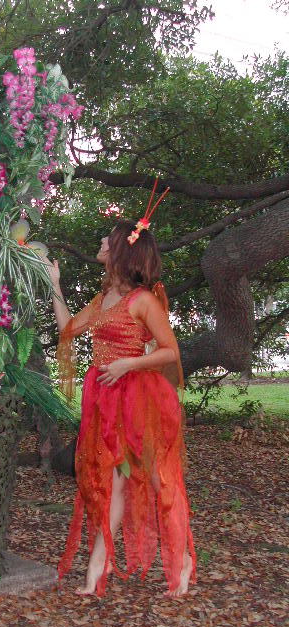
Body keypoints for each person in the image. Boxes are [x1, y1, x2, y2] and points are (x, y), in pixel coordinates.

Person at [45, 216, 196, 597]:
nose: (101, 242)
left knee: (158, 478)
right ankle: (98, 566)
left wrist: (129, 363)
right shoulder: (104, 298)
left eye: (107, 240)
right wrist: (54, 284)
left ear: (123, 252)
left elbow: (170, 351)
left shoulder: (142, 300)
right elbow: (68, 329)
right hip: (105, 397)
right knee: (110, 482)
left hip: (138, 398)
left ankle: (182, 560)